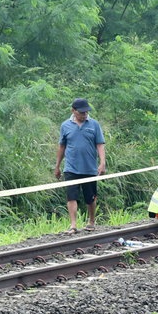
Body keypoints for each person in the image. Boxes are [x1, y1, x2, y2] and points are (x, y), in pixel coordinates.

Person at [55, 98, 106, 233]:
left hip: (89, 167)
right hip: (71, 168)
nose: (84, 115)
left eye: (86, 113)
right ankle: (73, 225)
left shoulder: (94, 125)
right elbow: (62, 146)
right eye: (81, 113)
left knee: (91, 197)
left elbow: (100, 144)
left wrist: (102, 162)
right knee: (71, 196)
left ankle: (91, 221)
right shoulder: (65, 126)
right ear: (73, 111)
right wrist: (57, 166)